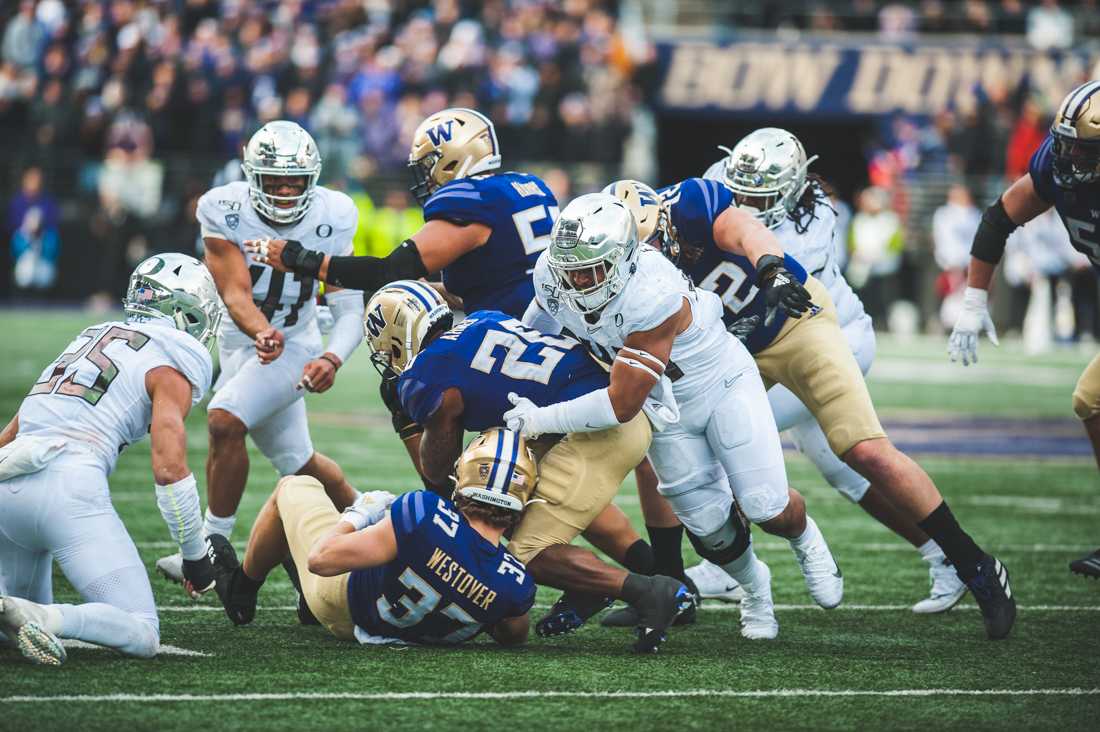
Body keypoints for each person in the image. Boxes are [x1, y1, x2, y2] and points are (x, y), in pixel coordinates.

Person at [645, 129, 1014, 640]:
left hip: (806, 326)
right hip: (737, 344)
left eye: (761, 195)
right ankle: (937, 555)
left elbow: (757, 253)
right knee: (835, 471)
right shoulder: (684, 209)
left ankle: (975, 565)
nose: (748, 202)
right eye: (741, 191)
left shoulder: (803, 221)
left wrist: (769, 270)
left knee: (857, 452)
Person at [510, 193, 843, 641]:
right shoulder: (553, 275)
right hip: (666, 407)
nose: (579, 280)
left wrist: (538, 419)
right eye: (570, 267)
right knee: (710, 528)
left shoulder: (652, 292)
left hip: (718, 383)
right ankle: (756, 591)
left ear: (626, 258)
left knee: (766, 506)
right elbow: (537, 329)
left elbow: (620, 405)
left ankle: (806, 539)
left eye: (593, 269)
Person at [365, 280, 693, 652]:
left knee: (526, 555)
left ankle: (651, 592)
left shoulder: (425, 373)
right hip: (597, 410)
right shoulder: (481, 320)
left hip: (596, 429)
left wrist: (442, 497)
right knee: (496, 492)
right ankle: (590, 588)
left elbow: (439, 464)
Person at [156, 121, 365, 585]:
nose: (287, 191)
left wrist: (331, 358)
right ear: (252, 176)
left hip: (297, 339)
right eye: (275, 181)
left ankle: (210, 548)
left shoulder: (335, 213)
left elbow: (348, 303)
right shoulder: (223, 208)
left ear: (314, 178)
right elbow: (234, 291)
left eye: (296, 181)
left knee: (224, 418)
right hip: (240, 340)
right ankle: (370, 512)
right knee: (299, 461)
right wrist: (259, 330)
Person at [0, 254, 220, 665]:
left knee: (12, 616)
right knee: (141, 630)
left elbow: (14, 430)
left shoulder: (92, 336)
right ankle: (47, 616)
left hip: (7, 483)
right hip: (67, 487)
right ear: (185, 312)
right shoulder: (171, 358)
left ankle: (26, 609)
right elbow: (170, 468)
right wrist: (195, 556)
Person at [948, 79, 1100, 580]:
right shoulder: (1057, 168)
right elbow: (999, 219)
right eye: (1067, 143)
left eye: (1083, 148)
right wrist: (973, 301)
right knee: (1090, 401)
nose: (1069, 156)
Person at [210, 429, 537, 647]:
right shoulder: (517, 584)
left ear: (464, 474)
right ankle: (303, 602)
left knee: (294, 486)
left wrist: (359, 514)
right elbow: (512, 634)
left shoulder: (424, 512)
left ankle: (241, 590)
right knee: (339, 488)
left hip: (339, 600)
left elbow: (322, 559)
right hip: (403, 628)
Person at [248, 107, 558, 318]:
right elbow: (501, 286)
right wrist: (425, 289)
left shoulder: (472, 199)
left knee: (406, 360)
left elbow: (389, 271)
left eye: (428, 165)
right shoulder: (528, 186)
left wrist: (303, 260)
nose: (426, 177)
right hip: (547, 324)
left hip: (514, 336)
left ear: (450, 160)